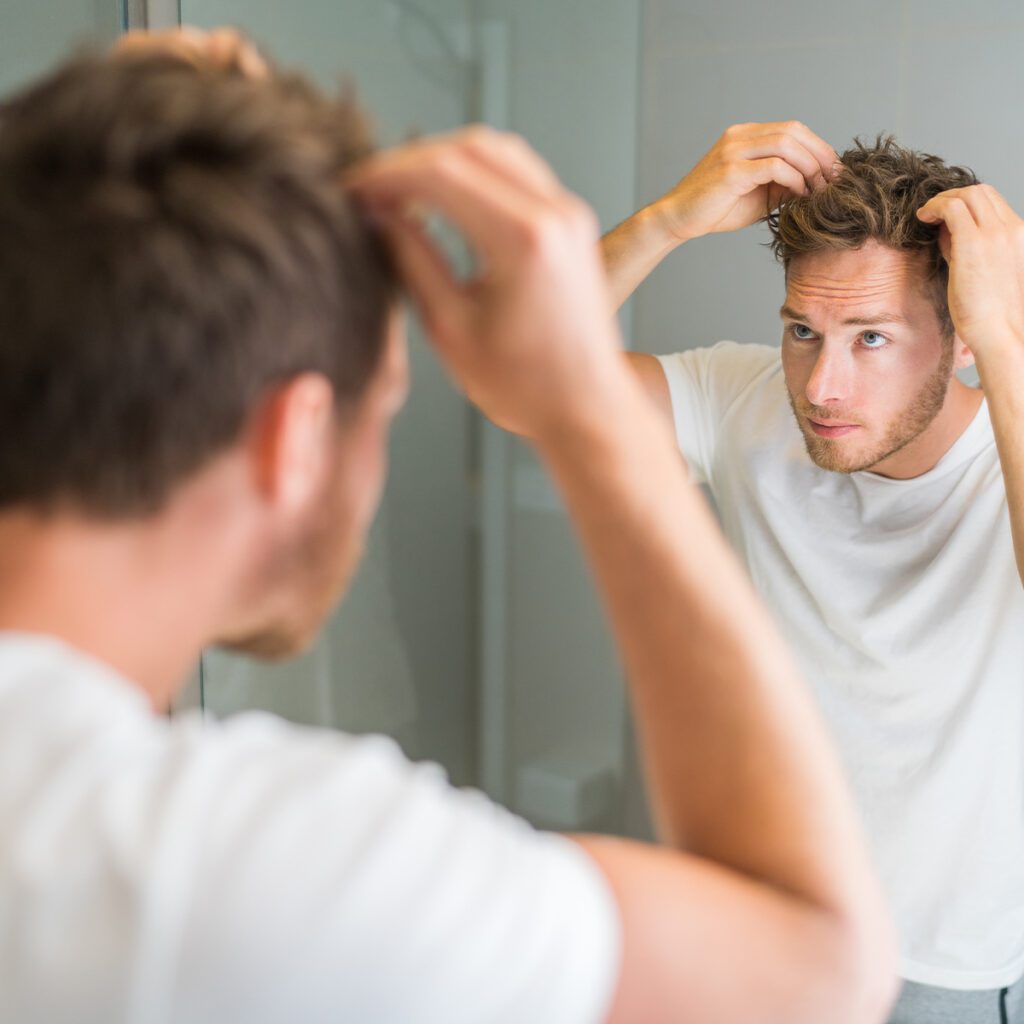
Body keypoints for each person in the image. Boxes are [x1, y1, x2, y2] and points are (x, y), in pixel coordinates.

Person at [0, 32, 896, 1023]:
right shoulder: (245, 868)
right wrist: (580, 411)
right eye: (383, 405)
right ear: (294, 439)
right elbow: (817, 962)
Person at [604, 121, 1024, 1022]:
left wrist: (1006, 335)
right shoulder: (744, 402)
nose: (822, 387)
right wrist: (665, 222)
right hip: (757, 937)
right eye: (804, 330)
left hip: (936, 971)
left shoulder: (1008, 452)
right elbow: (521, 384)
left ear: (959, 342)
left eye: (870, 338)